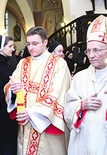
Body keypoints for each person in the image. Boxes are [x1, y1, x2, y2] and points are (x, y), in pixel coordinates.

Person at [4, 26, 71, 155]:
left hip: (46, 126)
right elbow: (10, 85)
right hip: (26, 125)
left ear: (45, 42)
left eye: (35, 43)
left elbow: (57, 94)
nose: (31, 48)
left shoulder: (58, 64)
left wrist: (32, 113)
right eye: (28, 44)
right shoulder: (23, 63)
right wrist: (13, 90)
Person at [64, 15, 107, 155]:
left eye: (96, 50)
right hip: (83, 142)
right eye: (88, 51)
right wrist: (82, 105)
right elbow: (68, 110)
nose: (91, 55)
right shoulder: (79, 78)